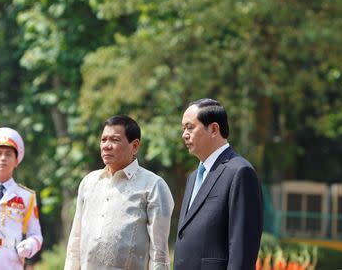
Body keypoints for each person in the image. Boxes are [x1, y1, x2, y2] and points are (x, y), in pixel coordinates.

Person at [65, 115, 174, 270]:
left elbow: (159, 251)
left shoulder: (153, 185)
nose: (106, 146)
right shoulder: (89, 182)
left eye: (114, 140)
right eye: (103, 140)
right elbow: (75, 241)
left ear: (135, 146)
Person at [174, 99, 263, 270]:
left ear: (214, 129)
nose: (184, 134)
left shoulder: (240, 172)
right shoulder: (193, 178)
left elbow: (242, 248)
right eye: (183, 129)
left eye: (190, 127)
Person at [0, 127, 43, 270]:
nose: (3, 158)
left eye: (8, 154)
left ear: (16, 161)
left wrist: (29, 245)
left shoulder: (27, 196)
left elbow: (36, 235)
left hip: (12, 264)